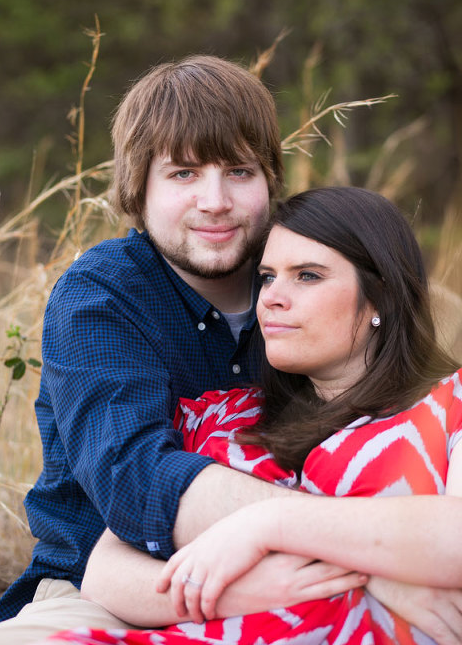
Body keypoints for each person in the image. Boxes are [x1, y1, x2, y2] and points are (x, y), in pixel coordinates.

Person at [0, 57, 359, 645]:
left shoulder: (320, 280)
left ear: (269, 180)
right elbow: (136, 478)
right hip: (108, 595)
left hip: (312, 583)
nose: (215, 200)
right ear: (139, 187)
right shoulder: (102, 295)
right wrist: (353, 543)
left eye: (239, 170)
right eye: (183, 174)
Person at [41, 187, 462, 645]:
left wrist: (269, 526)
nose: (272, 298)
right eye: (266, 276)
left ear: (381, 295)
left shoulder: (447, 406)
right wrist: (245, 591)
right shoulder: (228, 415)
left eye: (307, 276)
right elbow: (105, 574)